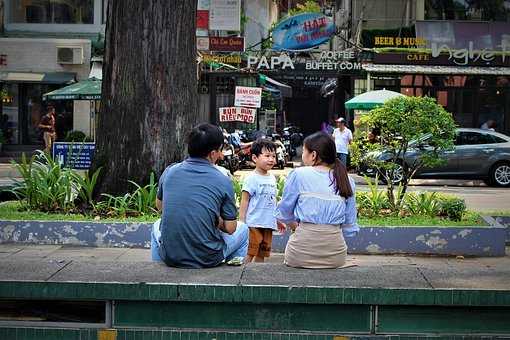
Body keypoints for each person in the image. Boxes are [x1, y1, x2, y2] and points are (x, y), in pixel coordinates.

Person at [151, 123, 248, 268]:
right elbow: (231, 228)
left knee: (156, 225)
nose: (221, 155)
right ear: (213, 154)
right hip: (208, 258)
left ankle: (158, 270)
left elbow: (160, 207)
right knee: (244, 230)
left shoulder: (170, 171)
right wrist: (218, 221)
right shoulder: (222, 179)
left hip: (171, 256)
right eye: (220, 150)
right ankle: (231, 275)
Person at [276, 131, 358, 269]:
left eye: (304, 151)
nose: (302, 155)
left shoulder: (299, 174)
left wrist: (297, 226)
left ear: (313, 155)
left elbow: (284, 213)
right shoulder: (347, 179)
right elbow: (350, 226)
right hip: (335, 256)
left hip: (300, 254)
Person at [239, 139, 285, 263]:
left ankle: (255, 275)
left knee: (262, 253)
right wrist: (242, 222)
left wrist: (277, 219)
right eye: (267, 156)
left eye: (273, 156)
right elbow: (245, 200)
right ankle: (242, 273)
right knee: (251, 251)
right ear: (255, 158)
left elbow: (272, 201)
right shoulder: (251, 178)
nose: (271, 159)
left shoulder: (271, 178)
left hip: (268, 223)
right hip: (253, 223)